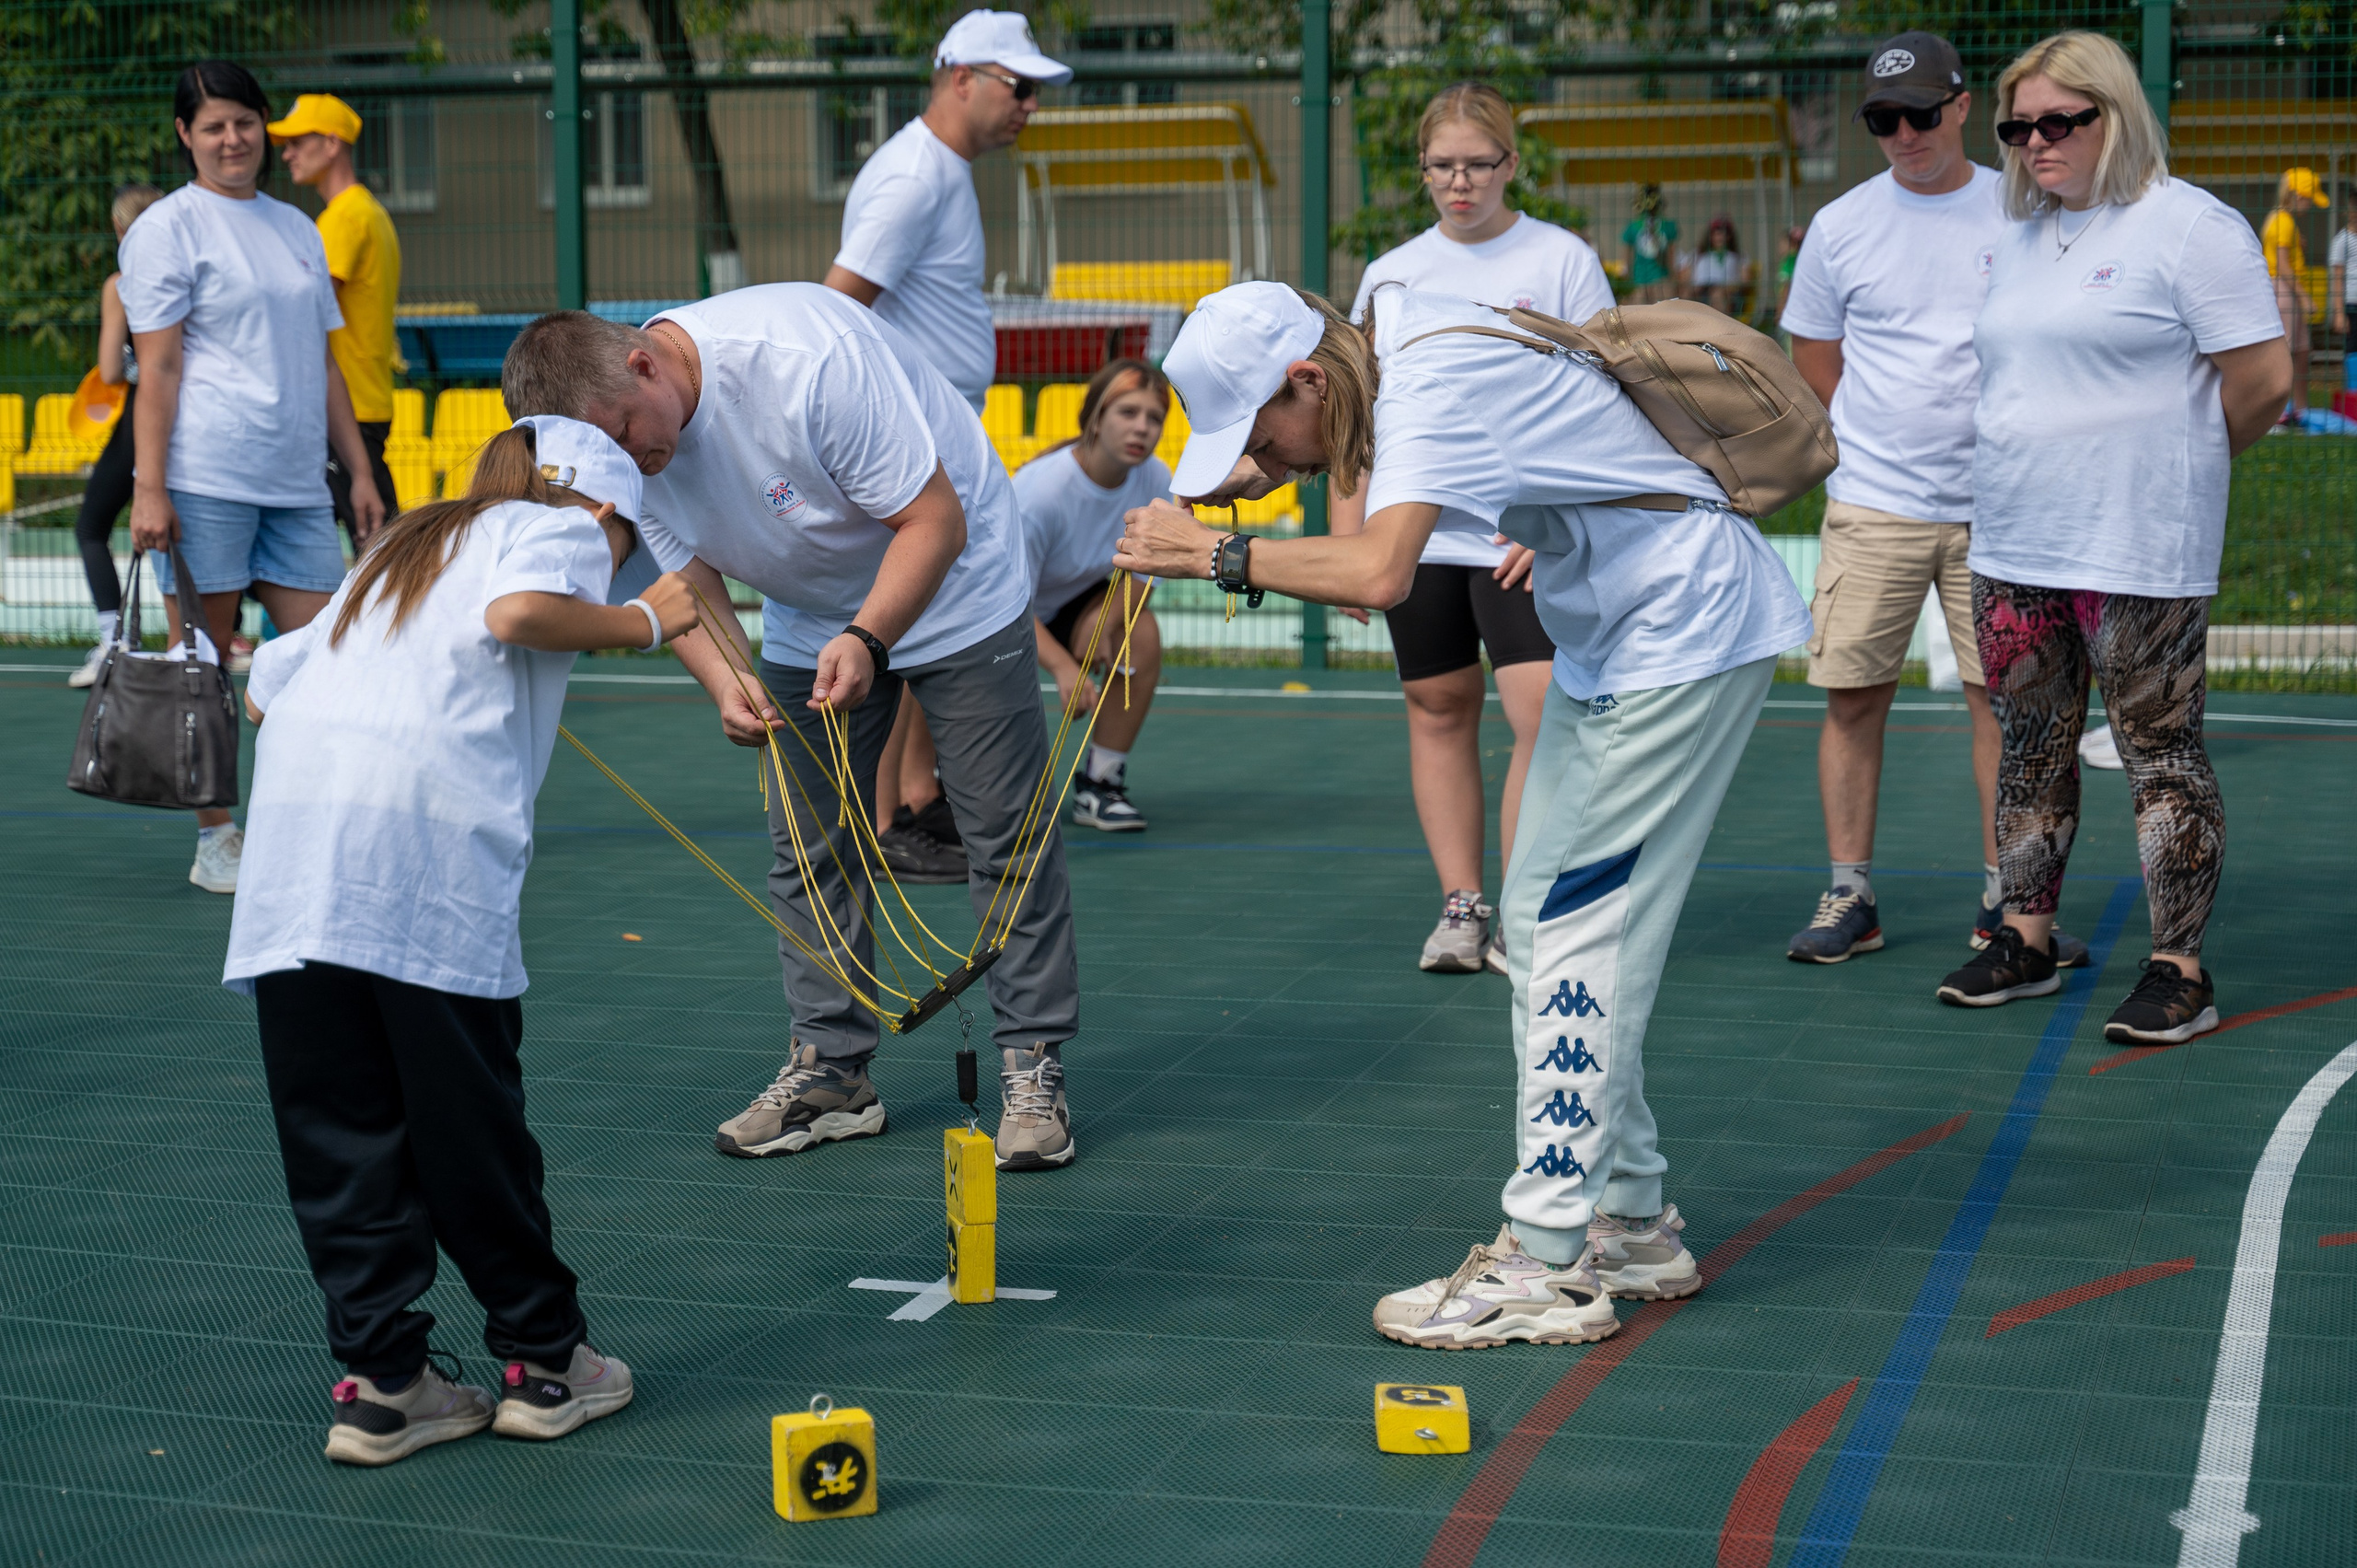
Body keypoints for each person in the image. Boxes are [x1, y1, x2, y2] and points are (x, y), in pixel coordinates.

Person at [1113, 281, 1812, 1349]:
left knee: (1579, 930)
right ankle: (1629, 1219)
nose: (1269, 462)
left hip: (1674, 635)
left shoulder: (1425, 380)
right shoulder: (1410, 335)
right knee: (1537, 925)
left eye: (1262, 433)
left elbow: (1380, 571)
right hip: (1630, 631)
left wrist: (1211, 552)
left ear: (1307, 379)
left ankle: (1543, 1256)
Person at [502, 287, 1085, 1172]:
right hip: (814, 612)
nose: (630, 461)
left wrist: (868, 637)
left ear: (645, 364)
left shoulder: (805, 363)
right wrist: (730, 682)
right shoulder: (628, 447)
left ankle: (1032, 1064)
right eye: (604, 454)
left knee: (1005, 832)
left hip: (959, 584)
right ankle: (834, 1073)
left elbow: (936, 520)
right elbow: (687, 583)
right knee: (808, 843)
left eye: (623, 432)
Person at [226, 417, 695, 1466]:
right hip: (422, 864)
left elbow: (265, 690)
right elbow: (522, 612)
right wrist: (643, 621)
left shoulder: (403, 544)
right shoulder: (560, 529)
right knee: (466, 1122)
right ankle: (544, 1361)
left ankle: (383, 1386)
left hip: (297, 864)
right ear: (607, 509)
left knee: (339, 1135)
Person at [1937, 31, 2288, 1045]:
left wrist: (2169, 466)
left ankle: (2179, 968)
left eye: (2059, 121)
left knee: (2159, 757)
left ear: (2114, 114)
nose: (2034, 142)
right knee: (2029, 747)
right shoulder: (2020, 236)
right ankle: (2026, 937)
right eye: (2017, 127)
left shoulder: (2189, 227)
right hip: (2013, 543)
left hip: (2136, 546)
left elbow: (2260, 383)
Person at [1778, 31, 2086, 970]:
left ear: (1962, 108)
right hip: (1874, 503)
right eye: (1882, 119)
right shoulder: (1840, 226)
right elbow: (1814, 365)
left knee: (2004, 703)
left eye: (1920, 113)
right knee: (1851, 696)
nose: (1903, 133)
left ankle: (2008, 896)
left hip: (2004, 508)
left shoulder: (2027, 207)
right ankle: (1850, 890)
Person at [1341, 81, 1603, 974]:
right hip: (1417, 536)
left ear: (1510, 165)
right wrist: (1352, 533)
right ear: (1421, 170)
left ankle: (1526, 913)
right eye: (1442, 166)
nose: (1460, 183)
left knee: (1540, 717)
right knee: (1437, 707)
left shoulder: (1562, 259)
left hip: (1518, 535)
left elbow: (1601, 395)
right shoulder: (1390, 272)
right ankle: (1462, 907)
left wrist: (1560, 513)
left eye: (1477, 164)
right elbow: (1356, 412)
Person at [118, 61, 387, 895]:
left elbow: (326, 361)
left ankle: (298, 821)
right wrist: (150, 486)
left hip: (301, 482)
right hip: (205, 477)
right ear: (184, 137)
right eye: (212, 126)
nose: (232, 139)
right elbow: (156, 368)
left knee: (329, 657)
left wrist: (360, 469)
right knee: (202, 662)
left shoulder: (299, 228)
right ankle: (217, 839)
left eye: (244, 122)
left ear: (262, 127)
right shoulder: (165, 230)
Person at [824, 8, 1072, 881]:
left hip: (937, 434)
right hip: (914, 443)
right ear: (961, 76)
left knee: (939, 612)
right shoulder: (914, 178)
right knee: (911, 619)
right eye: (1020, 86)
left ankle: (915, 804)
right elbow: (837, 308)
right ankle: (888, 817)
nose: (1029, 106)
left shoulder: (941, 170)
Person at [1015, 357, 1169, 831]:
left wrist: (1107, 620)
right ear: (1096, 417)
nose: (1142, 427)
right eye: (1128, 412)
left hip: (1072, 601)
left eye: (1154, 417)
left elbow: (1145, 574)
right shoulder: (1041, 493)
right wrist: (1063, 667)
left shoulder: (1156, 479)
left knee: (1139, 635)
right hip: (1000, 616)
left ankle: (1100, 786)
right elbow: (1003, 601)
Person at [271, 92, 402, 540]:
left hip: (344, 409)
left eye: (297, 142)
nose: (287, 153)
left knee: (380, 553)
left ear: (331, 145)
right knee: (375, 547)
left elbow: (306, 316)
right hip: (364, 400)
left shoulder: (342, 220)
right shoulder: (370, 213)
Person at [66, 183, 165, 690]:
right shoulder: (194, 276)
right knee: (186, 526)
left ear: (120, 230)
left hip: (144, 414)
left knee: (91, 527)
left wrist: (132, 365)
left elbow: (109, 367)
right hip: (199, 414)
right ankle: (222, 634)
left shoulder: (122, 285)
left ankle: (117, 640)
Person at [2260, 167, 2324, 424]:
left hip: (2287, 289)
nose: (2309, 205)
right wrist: (2305, 297)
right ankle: (2277, 413)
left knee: (2301, 350)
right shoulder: (2282, 222)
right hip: (2284, 289)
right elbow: (2283, 266)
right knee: (2285, 351)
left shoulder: (2284, 221)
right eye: (2309, 199)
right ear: (2297, 195)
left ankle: (2300, 409)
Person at [1620, 184, 1678, 303]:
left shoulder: (1667, 226)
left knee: (1662, 310)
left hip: (1660, 278)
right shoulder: (1633, 227)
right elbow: (1627, 258)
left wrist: (1673, 278)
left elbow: (1671, 255)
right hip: (1639, 279)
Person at [1686, 214, 1747, 315]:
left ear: (1730, 236)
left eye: (1724, 233)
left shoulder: (1738, 255)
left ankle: (1720, 327)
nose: (1720, 237)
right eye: (1716, 233)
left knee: (1717, 294)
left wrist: (1729, 287)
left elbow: (1746, 279)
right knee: (1686, 293)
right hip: (1701, 290)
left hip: (1726, 292)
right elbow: (1685, 275)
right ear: (1710, 235)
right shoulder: (1698, 253)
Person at [2331, 184, 2356, 344]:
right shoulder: (2341, 240)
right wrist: (2339, 313)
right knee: (2353, 351)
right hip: (2352, 305)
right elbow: (2337, 279)